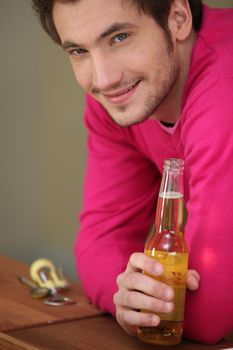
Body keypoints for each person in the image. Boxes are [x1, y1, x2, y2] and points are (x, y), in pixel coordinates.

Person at [31, 0, 233, 344]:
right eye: (79, 50)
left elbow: (208, 312)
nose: (104, 79)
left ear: (178, 17)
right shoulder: (120, 97)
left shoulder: (224, 88)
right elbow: (101, 238)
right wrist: (126, 294)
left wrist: (153, 307)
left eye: (120, 37)